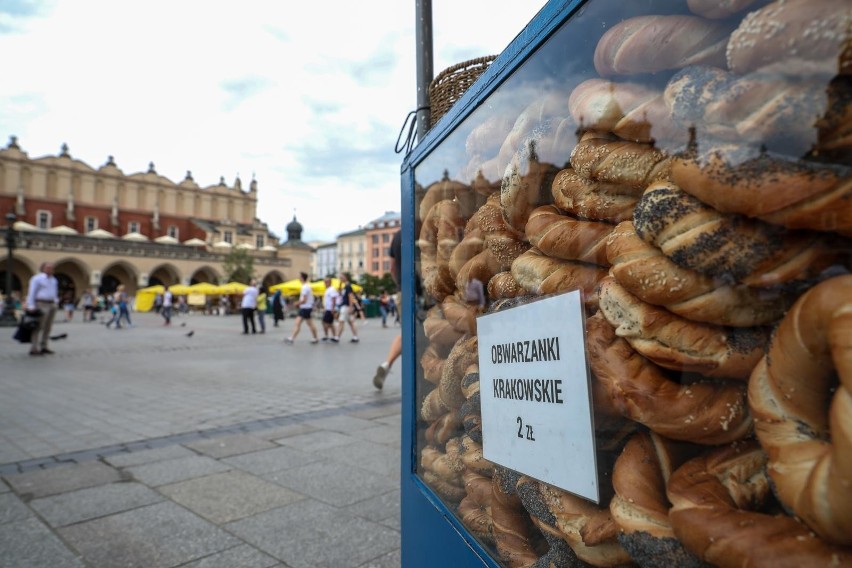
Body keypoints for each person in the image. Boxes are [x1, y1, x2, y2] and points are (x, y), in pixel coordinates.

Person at [374, 230, 402, 388]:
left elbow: (391, 267)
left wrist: (399, 283)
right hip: (424, 291)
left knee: (406, 331)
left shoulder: (398, 235)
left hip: (403, 290)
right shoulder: (419, 228)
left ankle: (387, 364)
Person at [25, 261, 59, 356]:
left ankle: (44, 346)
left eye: (52, 268)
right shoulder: (37, 279)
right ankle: (34, 348)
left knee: (48, 327)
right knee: (38, 326)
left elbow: (55, 292)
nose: (51, 270)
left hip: (51, 304)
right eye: (48, 268)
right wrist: (31, 305)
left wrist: (56, 301)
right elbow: (32, 292)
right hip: (41, 303)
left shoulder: (54, 280)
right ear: (43, 268)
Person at [285, 272, 319, 344]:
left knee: (307, 323)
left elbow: (304, 300)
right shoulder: (307, 286)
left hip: (305, 308)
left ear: (302, 278)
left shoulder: (305, 287)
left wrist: (296, 303)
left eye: (300, 277)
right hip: (306, 308)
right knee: (300, 323)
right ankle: (292, 338)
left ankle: (314, 338)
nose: (299, 278)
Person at [335, 273, 360, 343]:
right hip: (345, 305)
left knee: (341, 321)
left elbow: (350, 296)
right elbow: (340, 293)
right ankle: (355, 336)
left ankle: (337, 337)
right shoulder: (345, 286)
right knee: (351, 322)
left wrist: (351, 307)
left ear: (346, 277)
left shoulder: (348, 286)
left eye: (342, 277)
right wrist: (340, 285)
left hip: (346, 306)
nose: (340, 279)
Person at [321, 276, 339, 342]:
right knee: (330, 323)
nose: (325, 283)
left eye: (326, 282)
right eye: (324, 282)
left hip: (330, 309)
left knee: (325, 322)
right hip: (328, 309)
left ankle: (328, 336)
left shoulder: (331, 289)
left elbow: (333, 299)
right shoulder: (328, 289)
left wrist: (332, 309)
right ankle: (334, 336)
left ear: (329, 282)